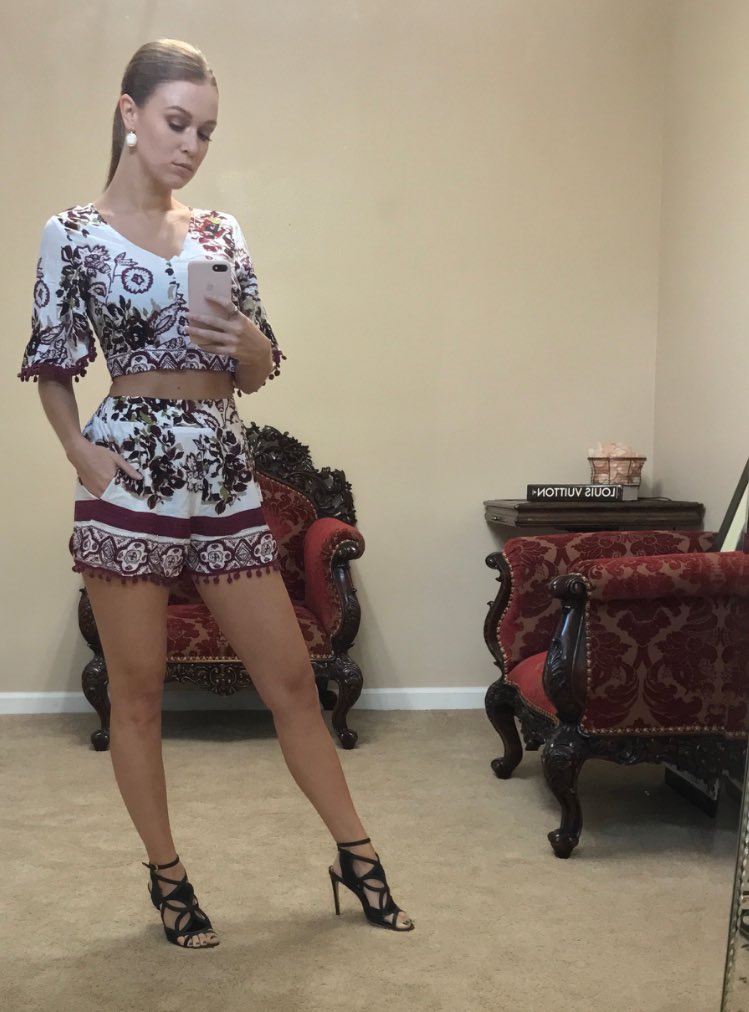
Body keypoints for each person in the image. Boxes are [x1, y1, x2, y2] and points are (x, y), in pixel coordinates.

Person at [19, 38, 413, 948]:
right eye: (176, 123)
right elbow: (53, 362)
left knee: (291, 681)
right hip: (128, 471)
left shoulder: (220, 233)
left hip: (222, 470)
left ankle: (356, 855)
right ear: (129, 113)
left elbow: (257, 370)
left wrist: (248, 342)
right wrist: (79, 453)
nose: (191, 145)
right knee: (139, 693)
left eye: (205, 130)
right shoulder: (70, 232)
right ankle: (168, 878)